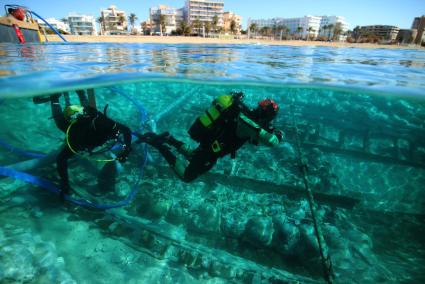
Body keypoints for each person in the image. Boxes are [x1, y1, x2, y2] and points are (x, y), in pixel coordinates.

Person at [137, 91, 283, 182]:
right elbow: (271, 142)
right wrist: (278, 134)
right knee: (187, 176)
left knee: (194, 155)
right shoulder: (248, 123)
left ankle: (170, 139)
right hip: (211, 152)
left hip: (210, 142)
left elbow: (252, 138)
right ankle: (160, 145)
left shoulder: (243, 114)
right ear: (267, 117)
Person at [33, 89, 132, 199]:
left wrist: (65, 184)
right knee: (68, 116)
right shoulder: (78, 131)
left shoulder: (99, 123)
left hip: (84, 131)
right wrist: (126, 149)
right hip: (82, 133)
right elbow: (126, 130)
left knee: (68, 115)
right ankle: (69, 95)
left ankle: (61, 97)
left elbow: (61, 159)